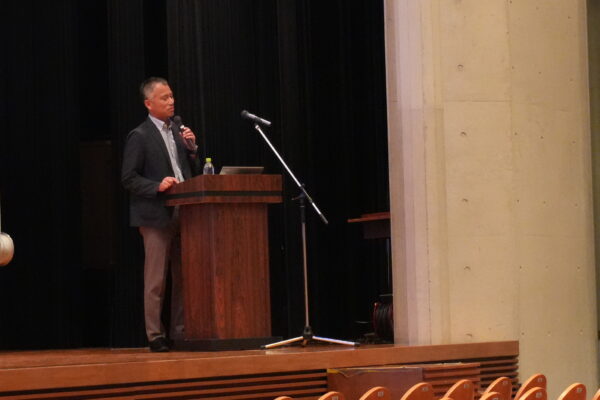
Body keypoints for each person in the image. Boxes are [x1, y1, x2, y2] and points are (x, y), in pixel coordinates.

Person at [121, 77, 200, 352]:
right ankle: (155, 335)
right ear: (149, 103)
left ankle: (180, 331)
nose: (171, 101)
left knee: (183, 276)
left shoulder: (178, 131)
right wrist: (157, 186)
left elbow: (186, 170)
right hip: (155, 215)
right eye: (164, 98)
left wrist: (192, 150)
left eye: (172, 96)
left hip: (183, 210)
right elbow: (129, 178)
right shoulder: (140, 135)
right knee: (156, 279)